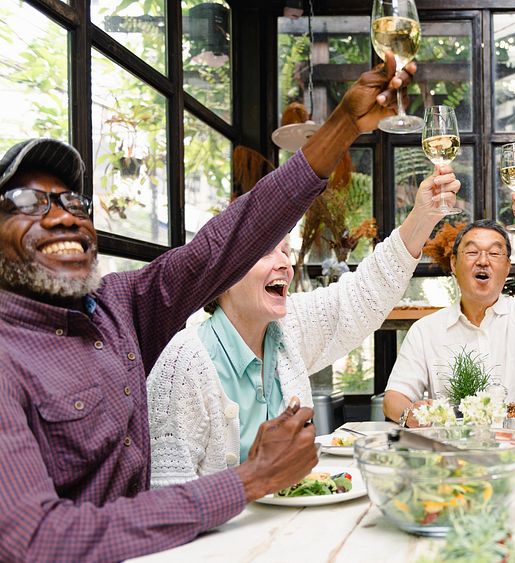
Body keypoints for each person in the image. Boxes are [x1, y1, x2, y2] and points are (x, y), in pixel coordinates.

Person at [0, 55, 425, 561]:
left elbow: (233, 236)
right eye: (29, 202)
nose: (64, 218)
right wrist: (249, 478)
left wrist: (344, 124)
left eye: (74, 203)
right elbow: (37, 540)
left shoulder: (117, 309)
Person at [146, 164, 459, 485]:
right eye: (265, 252)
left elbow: (363, 295)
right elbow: (167, 500)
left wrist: (423, 217)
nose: (284, 263)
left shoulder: (286, 330)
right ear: (223, 272)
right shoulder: (183, 363)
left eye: (285, 250)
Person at [384, 198, 515, 426]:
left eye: (495, 254)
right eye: (472, 252)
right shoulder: (426, 331)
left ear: (507, 267)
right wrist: (410, 414)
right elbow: (393, 399)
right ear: (454, 264)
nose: (483, 261)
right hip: (454, 453)